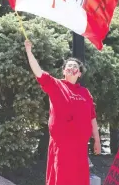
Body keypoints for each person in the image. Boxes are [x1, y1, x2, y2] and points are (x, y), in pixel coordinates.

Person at [24, 39, 101, 185]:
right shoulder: (56, 85)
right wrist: (29, 52)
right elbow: (38, 72)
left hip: (80, 148)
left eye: (75, 67)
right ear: (64, 71)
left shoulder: (85, 93)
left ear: (79, 74)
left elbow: (92, 118)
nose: (72, 68)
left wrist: (97, 140)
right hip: (62, 147)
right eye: (69, 66)